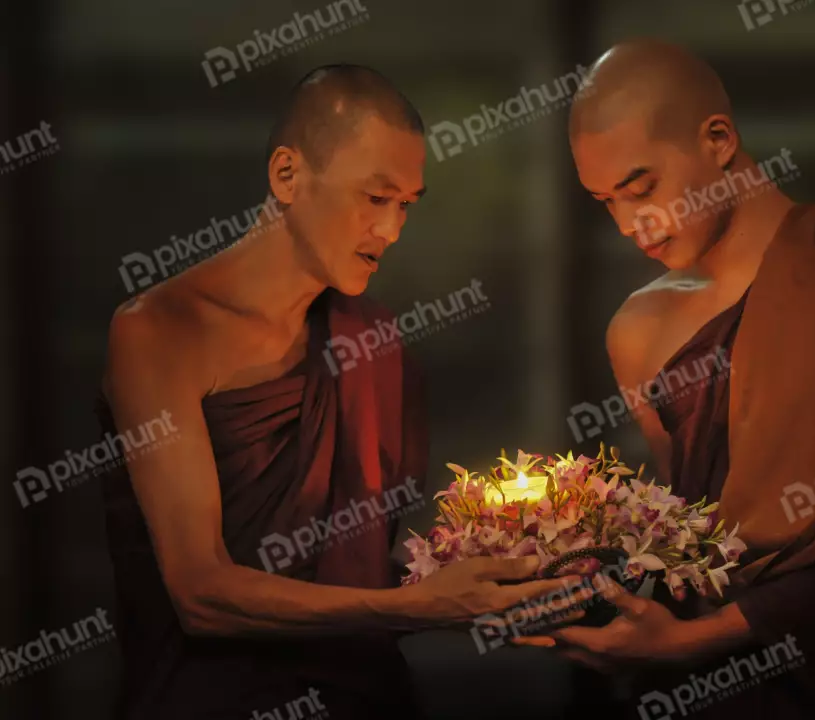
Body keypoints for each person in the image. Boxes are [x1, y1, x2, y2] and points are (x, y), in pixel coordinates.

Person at [515, 40, 815, 719]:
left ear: (718, 140)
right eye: (605, 202)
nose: (632, 224)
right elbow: (698, 538)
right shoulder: (638, 330)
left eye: (641, 188)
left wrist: (704, 639)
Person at [97, 64, 579, 720]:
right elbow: (200, 594)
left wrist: (511, 576)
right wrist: (416, 608)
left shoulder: (371, 339)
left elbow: (369, 564)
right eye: (375, 198)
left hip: (362, 697)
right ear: (287, 176)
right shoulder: (159, 330)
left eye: (407, 204)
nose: (392, 231)